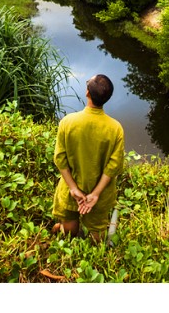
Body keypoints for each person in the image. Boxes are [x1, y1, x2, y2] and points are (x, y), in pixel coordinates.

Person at [52, 74, 125, 242]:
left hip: (71, 190)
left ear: (87, 93)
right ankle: (93, 249)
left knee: (69, 229)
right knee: (97, 234)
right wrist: (96, 194)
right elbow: (114, 166)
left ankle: (62, 230)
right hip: (100, 195)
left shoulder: (68, 122)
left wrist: (73, 188)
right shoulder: (115, 128)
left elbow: (60, 159)